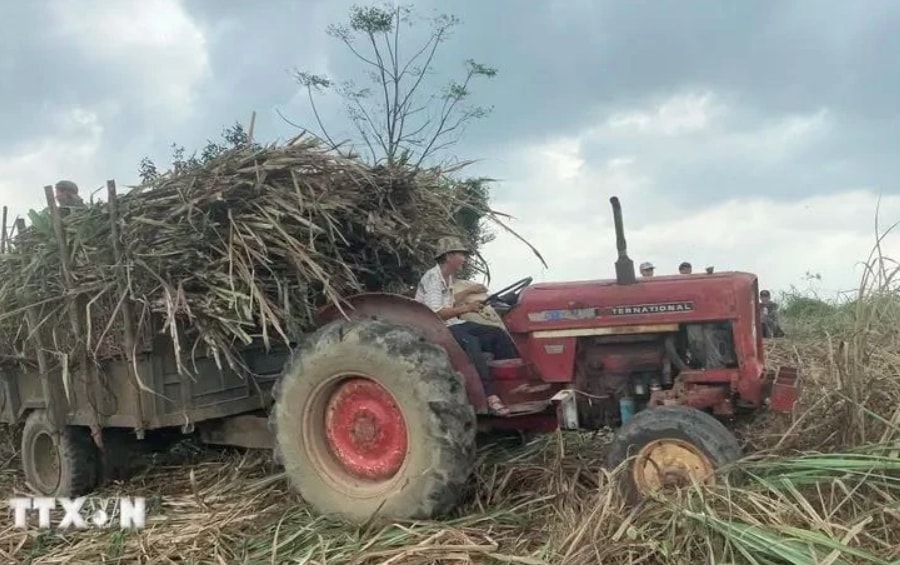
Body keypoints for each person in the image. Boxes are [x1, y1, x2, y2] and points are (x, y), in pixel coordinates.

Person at [414, 236, 517, 415]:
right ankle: (490, 396)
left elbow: (450, 302)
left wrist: (470, 295)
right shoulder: (433, 278)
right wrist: (468, 307)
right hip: (436, 327)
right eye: (461, 255)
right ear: (448, 257)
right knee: (471, 343)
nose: (464, 259)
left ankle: (513, 388)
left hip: (453, 322)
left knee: (496, 334)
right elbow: (436, 312)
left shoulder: (448, 278)